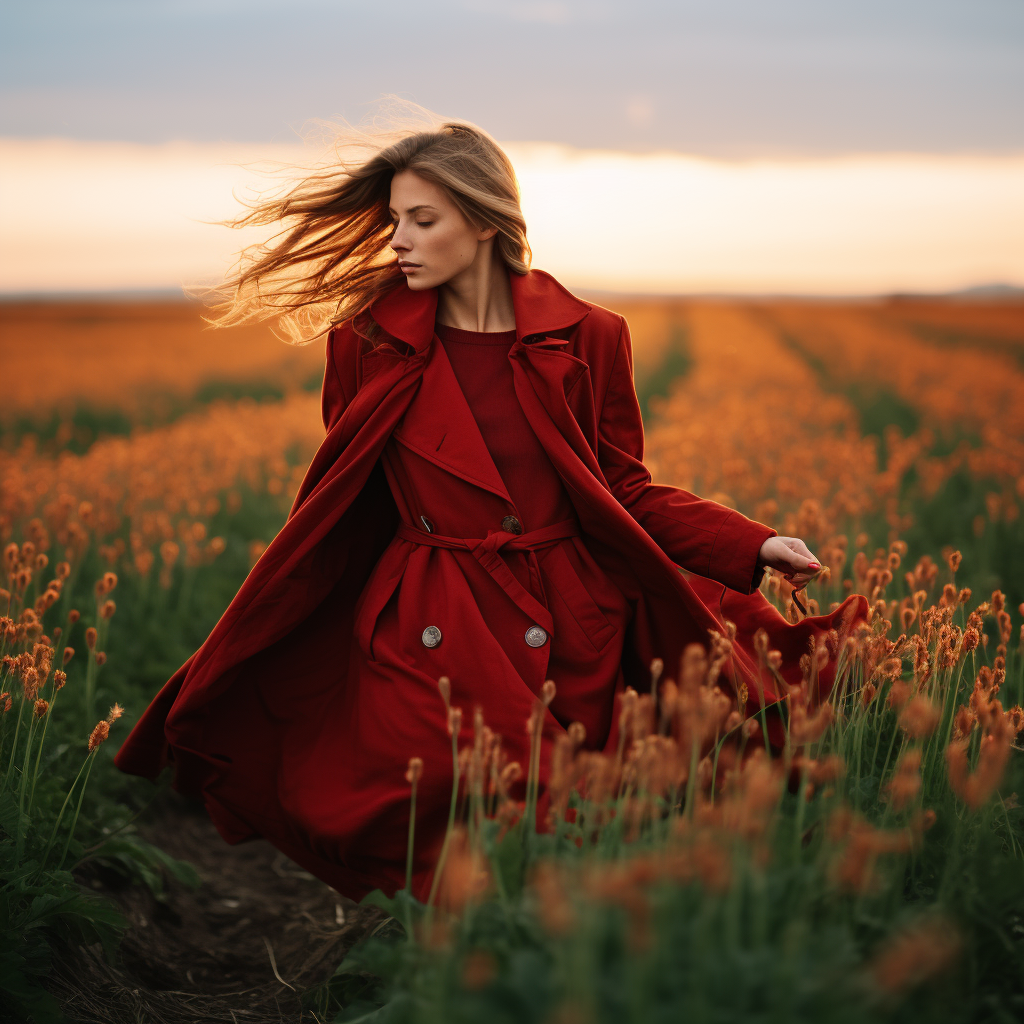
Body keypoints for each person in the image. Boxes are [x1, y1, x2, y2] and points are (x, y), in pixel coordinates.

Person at [115, 117, 867, 901]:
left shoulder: (592, 337)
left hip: (567, 615)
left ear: (482, 221)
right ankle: (436, 967)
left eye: (422, 220)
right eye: (394, 220)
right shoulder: (365, 340)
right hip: (428, 613)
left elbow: (626, 488)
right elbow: (347, 498)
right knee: (433, 803)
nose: (398, 240)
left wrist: (754, 544)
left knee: (558, 818)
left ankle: (525, 973)